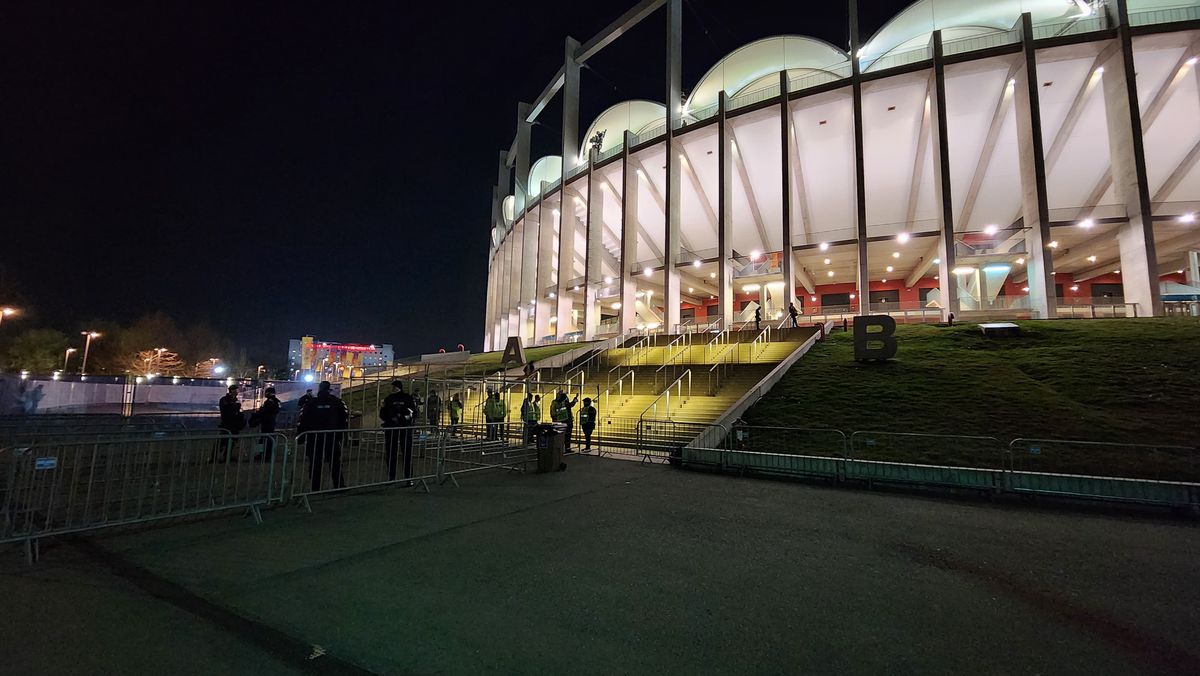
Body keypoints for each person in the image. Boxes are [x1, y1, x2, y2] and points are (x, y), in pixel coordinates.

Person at [297, 381, 349, 491]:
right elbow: (344, 419)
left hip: (314, 437)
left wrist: (301, 436)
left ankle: (315, 488)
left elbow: (303, 420)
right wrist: (341, 435)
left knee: (315, 463)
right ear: (329, 389)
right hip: (332, 437)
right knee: (335, 462)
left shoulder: (311, 402)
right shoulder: (337, 402)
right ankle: (339, 485)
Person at [380, 381, 417, 482]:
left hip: (401, 428)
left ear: (397, 387)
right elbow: (382, 414)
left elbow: (413, 413)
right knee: (395, 453)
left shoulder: (404, 398)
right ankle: (397, 477)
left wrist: (400, 418)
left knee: (402, 453)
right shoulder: (391, 398)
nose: (391, 388)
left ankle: (405, 477)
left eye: (393, 387)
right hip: (396, 428)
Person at [214, 384, 245, 462]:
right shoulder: (224, 400)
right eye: (236, 390)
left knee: (233, 441)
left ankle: (227, 456)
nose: (237, 392)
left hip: (234, 424)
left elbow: (238, 410)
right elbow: (227, 411)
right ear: (232, 391)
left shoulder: (236, 400)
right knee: (222, 441)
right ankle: (214, 457)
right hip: (227, 423)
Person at [255, 386, 281, 462]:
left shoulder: (269, 401)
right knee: (267, 439)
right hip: (271, 422)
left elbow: (264, 411)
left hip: (267, 422)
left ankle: (264, 455)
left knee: (265, 439)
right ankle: (265, 454)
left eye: (266, 392)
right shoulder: (276, 401)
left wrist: (258, 415)